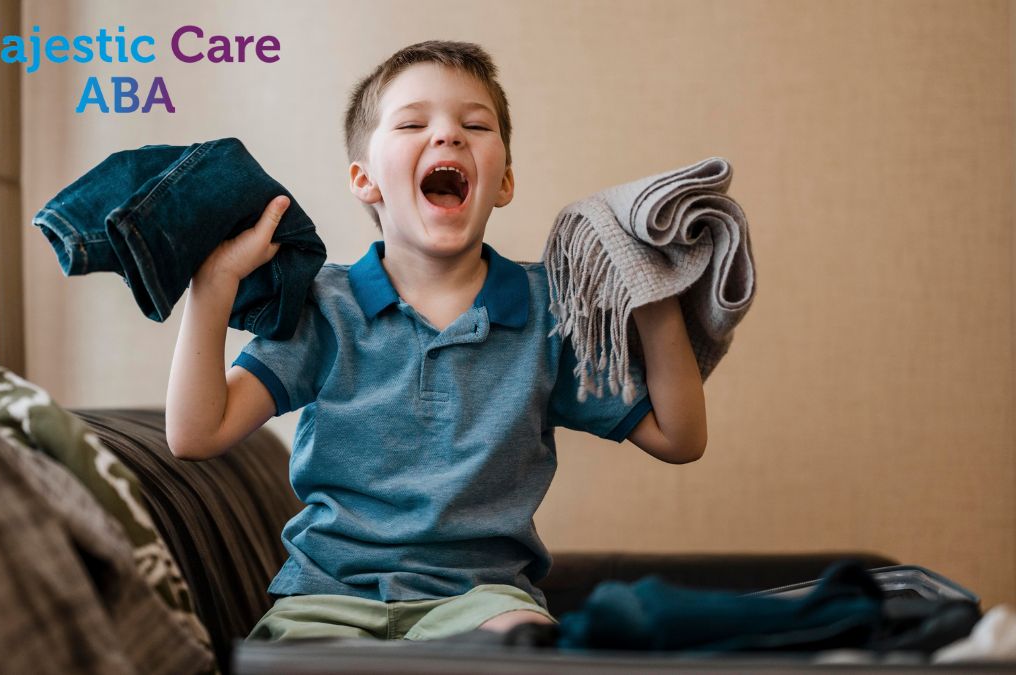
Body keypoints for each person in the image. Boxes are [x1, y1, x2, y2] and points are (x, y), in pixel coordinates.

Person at [165, 40, 708, 642]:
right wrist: (212, 285)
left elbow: (679, 438)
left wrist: (653, 293)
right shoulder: (323, 307)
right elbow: (195, 435)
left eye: (475, 124)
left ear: (503, 182)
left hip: (485, 599)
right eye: (414, 123)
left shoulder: (549, 310)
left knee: (530, 643)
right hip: (326, 597)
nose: (448, 135)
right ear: (365, 179)